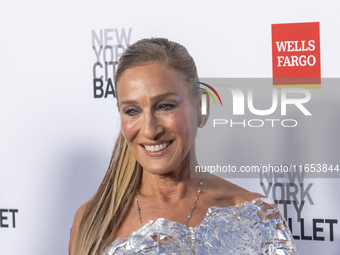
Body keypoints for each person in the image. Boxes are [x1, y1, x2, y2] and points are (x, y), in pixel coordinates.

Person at [69, 38, 298, 255]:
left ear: (200, 107)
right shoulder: (93, 221)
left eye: (165, 106)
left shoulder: (253, 215)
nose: (150, 130)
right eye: (132, 111)